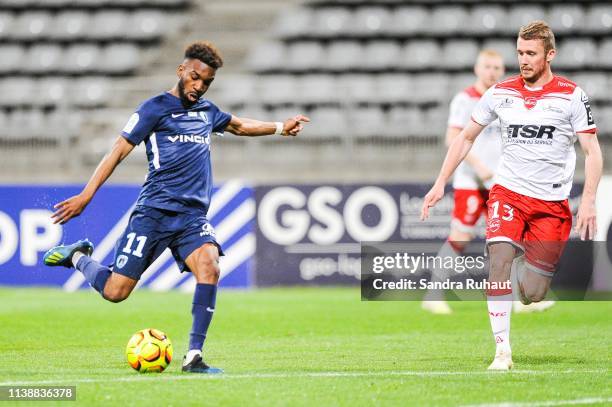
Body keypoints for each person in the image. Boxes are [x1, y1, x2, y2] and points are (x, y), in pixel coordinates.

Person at [43, 41, 309, 374]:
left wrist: (281, 127)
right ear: (181, 71)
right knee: (115, 292)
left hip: (191, 218)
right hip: (153, 213)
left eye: (207, 82)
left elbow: (240, 126)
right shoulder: (153, 108)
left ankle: (194, 356)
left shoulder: (207, 112)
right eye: (196, 77)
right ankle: (78, 256)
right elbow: (116, 151)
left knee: (210, 266)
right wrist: (86, 195)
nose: (200, 86)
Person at [420, 21, 602, 370]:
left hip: (551, 203)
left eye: (531, 53)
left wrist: (589, 199)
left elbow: (592, 151)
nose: (523, 60)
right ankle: (502, 351)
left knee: (532, 292)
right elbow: (465, 137)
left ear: (550, 55)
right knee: (499, 259)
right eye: (519, 52)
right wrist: (441, 180)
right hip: (507, 192)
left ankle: (524, 293)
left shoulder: (571, 95)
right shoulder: (500, 92)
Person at [422, 49, 505, 315]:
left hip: (499, 182)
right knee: (460, 236)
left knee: (509, 238)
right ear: (477, 69)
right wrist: (479, 167)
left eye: (496, 67)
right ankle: (433, 294)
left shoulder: (505, 99)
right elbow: (453, 139)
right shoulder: (464, 99)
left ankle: (520, 299)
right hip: (471, 180)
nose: (492, 72)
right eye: (487, 67)